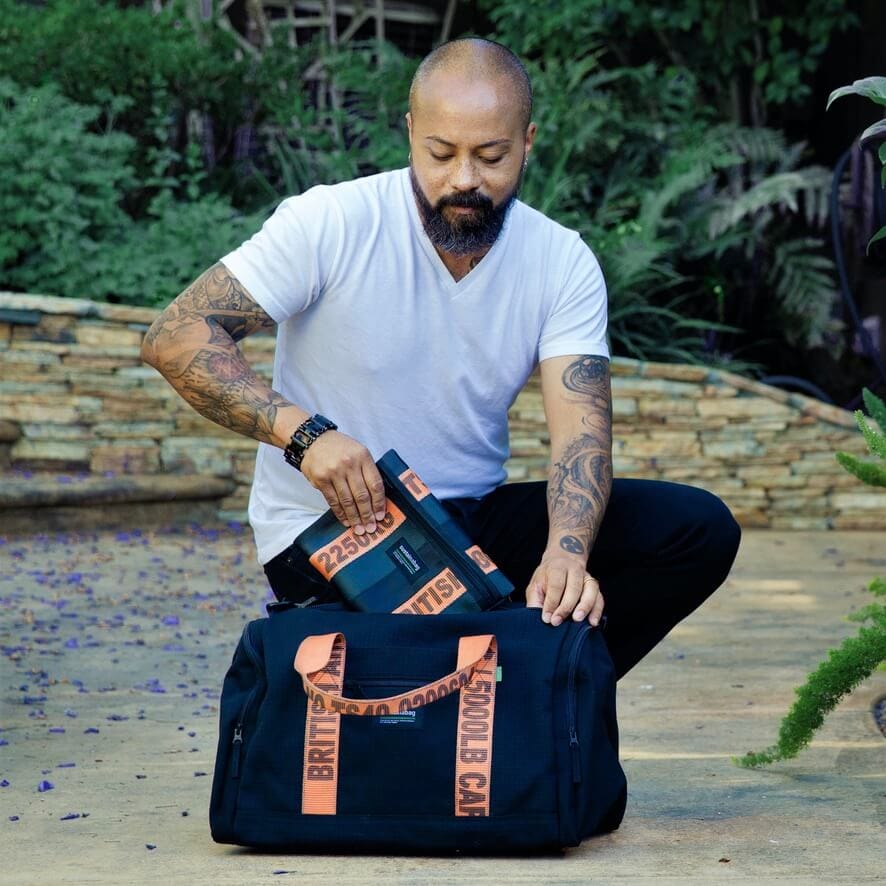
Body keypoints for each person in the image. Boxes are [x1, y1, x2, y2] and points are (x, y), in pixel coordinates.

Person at [141, 38, 741, 679]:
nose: (464, 180)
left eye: (490, 156)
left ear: (527, 142)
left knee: (696, 530)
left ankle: (547, 691)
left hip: (470, 522)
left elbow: (580, 442)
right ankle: (516, 683)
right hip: (333, 526)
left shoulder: (561, 261)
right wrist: (304, 436)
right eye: (441, 153)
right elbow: (175, 334)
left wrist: (566, 555)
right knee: (449, 650)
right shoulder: (331, 221)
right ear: (409, 133)